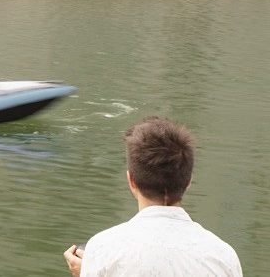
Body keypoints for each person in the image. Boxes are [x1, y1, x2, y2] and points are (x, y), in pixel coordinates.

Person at [63, 117, 241, 277]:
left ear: (131, 180)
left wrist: (89, 271)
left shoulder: (102, 249)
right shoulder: (223, 256)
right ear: (188, 181)